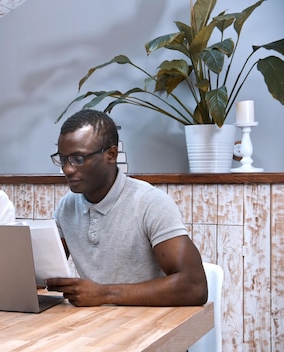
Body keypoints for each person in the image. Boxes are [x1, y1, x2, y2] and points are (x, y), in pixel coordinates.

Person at [45, 109, 208, 307]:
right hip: (93, 326)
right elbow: (45, 273)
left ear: (111, 155)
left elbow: (194, 286)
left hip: (147, 328)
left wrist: (104, 295)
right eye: (63, 159)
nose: (67, 169)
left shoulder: (150, 203)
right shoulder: (67, 206)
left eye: (78, 159)